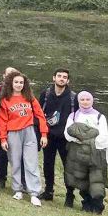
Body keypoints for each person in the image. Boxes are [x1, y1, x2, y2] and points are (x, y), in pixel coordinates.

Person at [0, 70, 48, 206]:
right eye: (16, 82)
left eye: (21, 82)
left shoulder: (30, 98)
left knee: (31, 162)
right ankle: (17, 190)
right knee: (15, 161)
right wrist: (2, 138)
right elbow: (2, 120)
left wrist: (43, 134)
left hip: (29, 131)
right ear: (11, 83)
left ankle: (34, 193)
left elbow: (40, 115)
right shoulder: (5, 100)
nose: (19, 85)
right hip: (13, 133)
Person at [64, 91, 108, 214]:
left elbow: (103, 137)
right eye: (82, 100)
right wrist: (80, 139)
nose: (85, 102)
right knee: (82, 180)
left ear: (92, 101)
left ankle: (97, 206)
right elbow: (68, 134)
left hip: (96, 155)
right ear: (79, 101)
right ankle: (86, 203)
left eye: (87, 99)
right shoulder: (73, 116)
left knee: (96, 181)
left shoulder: (99, 117)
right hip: (78, 155)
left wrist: (86, 140)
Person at [38, 68, 78, 206]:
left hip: (66, 138)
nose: (61, 79)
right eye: (59, 76)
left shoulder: (73, 97)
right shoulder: (46, 94)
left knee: (68, 166)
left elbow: (78, 117)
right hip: (48, 136)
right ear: (53, 78)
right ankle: (48, 191)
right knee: (48, 164)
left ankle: (70, 194)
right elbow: (39, 114)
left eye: (64, 77)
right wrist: (41, 133)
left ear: (68, 80)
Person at [0, 66, 20, 188]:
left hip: (17, 126)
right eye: (8, 74)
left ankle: (20, 180)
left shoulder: (22, 91)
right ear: (4, 76)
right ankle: (1, 178)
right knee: (2, 154)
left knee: (18, 155)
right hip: (1, 125)